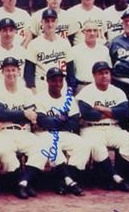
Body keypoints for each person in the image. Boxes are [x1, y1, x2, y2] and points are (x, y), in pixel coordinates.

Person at [0, 57, 47, 200]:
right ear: (2, 72)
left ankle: (23, 182)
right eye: (7, 70)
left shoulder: (26, 92)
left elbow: (33, 116)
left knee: (42, 148)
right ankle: (17, 185)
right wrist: (23, 114)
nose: (11, 73)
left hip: (22, 131)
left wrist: (12, 116)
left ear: (19, 72)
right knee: (6, 150)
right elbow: (1, 114)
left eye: (13, 70)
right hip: (1, 132)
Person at [76, 61, 129, 192]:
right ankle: (113, 178)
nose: (104, 76)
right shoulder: (87, 91)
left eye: (106, 72)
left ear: (110, 74)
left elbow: (124, 112)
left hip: (113, 127)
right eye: (100, 73)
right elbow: (87, 114)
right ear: (94, 75)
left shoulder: (117, 91)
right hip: (91, 128)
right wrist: (112, 112)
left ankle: (117, 176)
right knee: (97, 147)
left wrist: (100, 108)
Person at [34, 67, 89, 196]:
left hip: (64, 133)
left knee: (84, 146)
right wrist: (62, 120)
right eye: (54, 80)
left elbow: (75, 122)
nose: (58, 84)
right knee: (53, 146)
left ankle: (64, 180)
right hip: (44, 133)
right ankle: (69, 181)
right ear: (47, 81)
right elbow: (42, 121)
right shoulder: (39, 97)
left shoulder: (68, 98)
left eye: (60, 80)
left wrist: (54, 121)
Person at [25, 9, 72, 94]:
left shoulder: (65, 43)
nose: (50, 24)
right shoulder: (34, 44)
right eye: (47, 21)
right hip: (42, 84)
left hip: (61, 84)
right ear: (42, 23)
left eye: (53, 21)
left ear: (57, 22)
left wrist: (70, 89)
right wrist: (33, 90)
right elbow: (29, 72)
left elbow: (70, 70)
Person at [66, 20, 111, 94]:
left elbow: (109, 73)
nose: (92, 33)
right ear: (83, 32)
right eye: (89, 30)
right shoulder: (74, 51)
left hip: (101, 87)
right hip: (82, 87)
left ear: (98, 33)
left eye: (95, 30)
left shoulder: (105, 50)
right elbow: (70, 75)